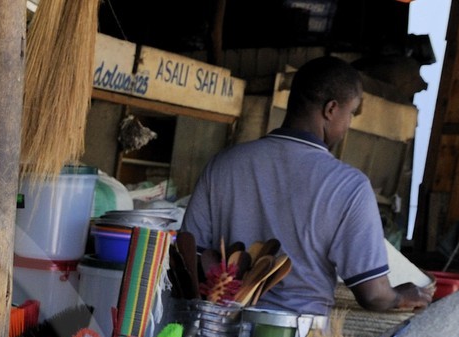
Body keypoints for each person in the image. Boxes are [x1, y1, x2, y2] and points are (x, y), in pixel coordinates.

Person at [182, 56, 429, 316]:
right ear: (331, 110)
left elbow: (190, 256)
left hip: (219, 333)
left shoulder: (223, 164)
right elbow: (373, 295)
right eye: (351, 114)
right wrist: (401, 296)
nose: (348, 125)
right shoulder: (349, 186)